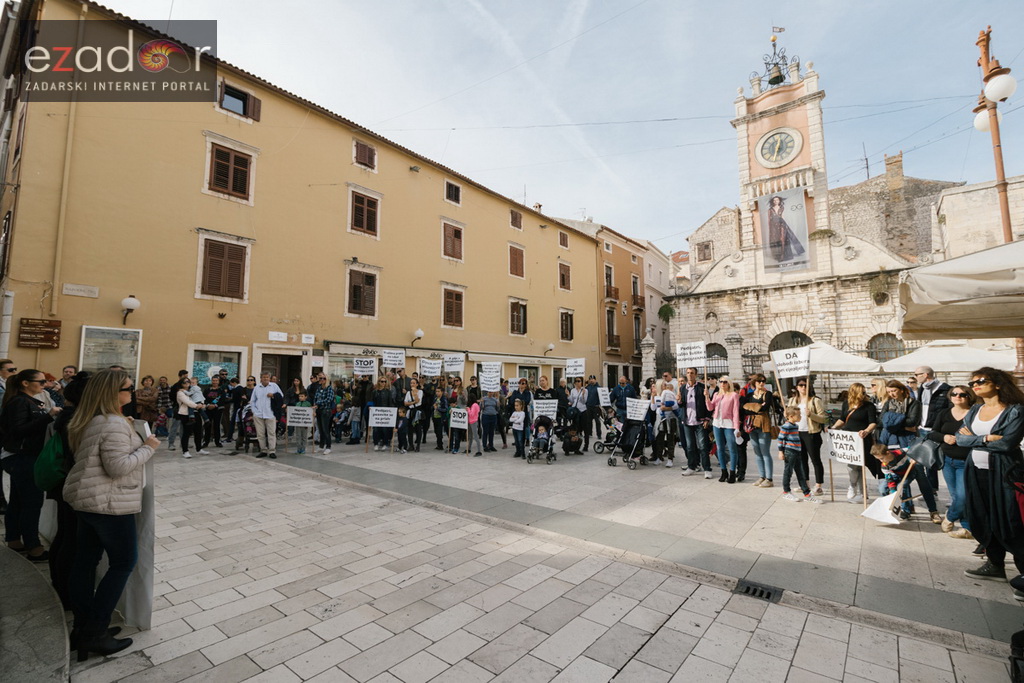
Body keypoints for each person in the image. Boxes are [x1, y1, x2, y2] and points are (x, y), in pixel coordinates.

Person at [64, 368, 159, 661]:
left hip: (87, 500)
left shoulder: (93, 419)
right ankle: (95, 632)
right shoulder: (113, 424)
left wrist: (126, 429)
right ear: (111, 393)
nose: (132, 394)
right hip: (109, 503)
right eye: (127, 389)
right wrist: (148, 447)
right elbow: (118, 467)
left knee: (85, 561)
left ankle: (83, 626)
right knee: (123, 562)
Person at [957, 367, 1024, 584]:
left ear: (997, 383)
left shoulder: (1015, 410)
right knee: (982, 519)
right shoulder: (975, 410)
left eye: (981, 380)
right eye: (972, 382)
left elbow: (1007, 444)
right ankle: (995, 565)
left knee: (1009, 522)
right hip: (975, 471)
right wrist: (986, 439)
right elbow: (960, 439)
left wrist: (975, 439)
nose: (975, 385)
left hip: (1004, 473)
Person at [1, 368, 61, 561]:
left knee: (18, 501)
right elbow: (18, 431)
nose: (44, 385)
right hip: (21, 457)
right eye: (41, 382)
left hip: (23, 457)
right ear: (25, 383)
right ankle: (33, 546)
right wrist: (48, 416)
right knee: (32, 503)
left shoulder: (28, 401)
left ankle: (14, 540)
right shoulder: (19, 401)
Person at [48, 371, 89, 610]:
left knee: (64, 534)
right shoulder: (75, 419)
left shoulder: (67, 415)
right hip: (70, 481)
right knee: (69, 538)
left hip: (64, 480)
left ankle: (60, 584)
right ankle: (64, 590)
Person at [928, 384, 975, 538]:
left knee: (963, 496)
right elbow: (933, 433)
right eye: (954, 394)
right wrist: (944, 437)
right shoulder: (944, 413)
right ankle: (966, 528)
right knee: (956, 496)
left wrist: (969, 436)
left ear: (969, 396)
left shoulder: (974, 414)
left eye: (962, 394)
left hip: (966, 460)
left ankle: (950, 517)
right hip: (947, 460)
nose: (957, 397)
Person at [830, 382, 879, 503]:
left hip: (862, 438)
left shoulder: (869, 406)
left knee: (860, 465)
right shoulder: (847, 404)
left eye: (864, 391)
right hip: (849, 439)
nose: (863, 394)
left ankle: (860, 491)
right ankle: (855, 486)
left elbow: (873, 422)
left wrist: (866, 431)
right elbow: (842, 419)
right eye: (861, 392)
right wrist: (834, 427)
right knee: (852, 466)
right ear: (854, 392)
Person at [870, 444, 941, 523]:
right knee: (883, 488)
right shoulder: (884, 466)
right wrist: (894, 494)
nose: (881, 461)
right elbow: (890, 480)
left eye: (882, 458)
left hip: (913, 469)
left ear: (888, 453)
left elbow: (916, 447)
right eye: (878, 459)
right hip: (899, 474)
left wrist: (915, 457)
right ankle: (898, 510)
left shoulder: (901, 452)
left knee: (924, 487)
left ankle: (933, 512)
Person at [788, 379, 828, 497]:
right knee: (801, 460)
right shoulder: (792, 401)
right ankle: (805, 484)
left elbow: (824, 418)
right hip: (797, 433)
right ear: (797, 387)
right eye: (801, 385)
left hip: (811, 433)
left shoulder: (815, 400)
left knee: (815, 459)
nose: (803, 387)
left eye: (806, 385)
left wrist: (812, 415)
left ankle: (819, 485)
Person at [915, 366, 950, 493]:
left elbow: (948, 410)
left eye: (916, 374)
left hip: (936, 429)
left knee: (936, 460)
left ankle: (934, 488)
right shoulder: (922, 388)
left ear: (925, 375)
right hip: (922, 428)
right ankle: (930, 489)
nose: (915, 377)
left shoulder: (945, 389)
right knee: (924, 460)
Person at [778, 406, 821, 503]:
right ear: (791, 416)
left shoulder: (795, 426)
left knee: (801, 473)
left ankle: (807, 493)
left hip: (797, 452)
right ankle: (786, 491)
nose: (801, 416)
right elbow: (780, 439)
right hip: (789, 452)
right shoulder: (786, 426)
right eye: (799, 415)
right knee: (788, 472)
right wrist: (781, 451)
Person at [744, 374, 779, 489]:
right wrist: (757, 406)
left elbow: (765, 407)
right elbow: (743, 408)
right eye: (759, 381)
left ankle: (769, 478)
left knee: (765, 452)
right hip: (752, 425)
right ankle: (761, 476)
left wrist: (751, 407)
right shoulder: (749, 395)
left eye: (763, 381)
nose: (762, 383)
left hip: (764, 424)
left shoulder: (767, 394)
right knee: (757, 452)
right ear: (754, 382)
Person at [678, 367, 711, 477]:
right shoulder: (682, 388)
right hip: (687, 421)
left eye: (692, 373)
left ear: (696, 375)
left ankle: (707, 468)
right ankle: (691, 466)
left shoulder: (702, 388)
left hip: (699, 421)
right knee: (690, 446)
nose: (689, 375)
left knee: (702, 446)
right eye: (688, 373)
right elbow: (681, 405)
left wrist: (707, 418)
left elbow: (708, 405)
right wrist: (679, 401)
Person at [708, 379, 740, 483]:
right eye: (721, 382)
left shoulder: (733, 395)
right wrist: (706, 397)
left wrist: (737, 427)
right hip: (717, 423)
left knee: (732, 448)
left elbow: (736, 412)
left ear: (729, 383)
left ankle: (732, 472)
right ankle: (723, 471)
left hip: (729, 423)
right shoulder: (717, 394)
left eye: (725, 382)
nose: (722, 384)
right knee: (719, 448)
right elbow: (710, 408)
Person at [878, 380, 920, 449]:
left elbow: (912, 422)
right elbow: (881, 421)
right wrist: (904, 427)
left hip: (908, 438)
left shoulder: (914, 403)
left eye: (894, 391)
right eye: (889, 392)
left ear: (901, 390)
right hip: (890, 437)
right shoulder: (888, 403)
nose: (891, 394)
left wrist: (891, 421)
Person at [251, 372, 283, 459]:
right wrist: (254, 411)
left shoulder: (274, 386)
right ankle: (263, 450)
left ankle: (272, 450)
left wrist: (273, 395)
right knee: (260, 434)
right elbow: (253, 401)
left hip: (270, 413)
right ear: (261, 378)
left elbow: (281, 397)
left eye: (267, 377)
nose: (266, 379)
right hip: (259, 414)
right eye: (264, 377)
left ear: (269, 378)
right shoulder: (257, 387)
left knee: (271, 433)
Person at [766, 195, 806, 265]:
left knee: (784, 238)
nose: (776, 201)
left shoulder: (782, 208)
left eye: (777, 200)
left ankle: (783, 256)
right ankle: (779, 256)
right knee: (776, 240)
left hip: (781, 223)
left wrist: (784, 224)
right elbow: (769, 219)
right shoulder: (770, 210)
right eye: (774, 200)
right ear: (773, 201)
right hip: (773, 226)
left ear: (779, 201)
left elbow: (781, 216)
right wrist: (770, 229)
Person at [174, 378, 205, 458]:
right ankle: (185, 451)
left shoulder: (193, 390)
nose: (187, 383)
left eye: (188, 381)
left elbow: (200, 397)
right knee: (187, 433)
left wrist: (201, 403)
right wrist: (197, 405)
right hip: (185, 414)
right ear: (181, 384)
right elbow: (187, 402)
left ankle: (199, 449)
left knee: (198, 431)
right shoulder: (180, 393)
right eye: (184, 382)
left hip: (196, 412)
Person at [312, 372, 335, 455]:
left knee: (325, 430)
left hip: (326, 410)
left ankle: (328, 446)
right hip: (319, 410)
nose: (322, 380)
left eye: (323, 378)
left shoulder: (329, 388)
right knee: (320, 429)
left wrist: (319, 403)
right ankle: (321, 446)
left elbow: (329, 399)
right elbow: (315, 397)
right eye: (320, 378)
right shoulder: (319, 388)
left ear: (327, 379)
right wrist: (315, 404)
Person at [372, 376, 396, 451]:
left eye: (385, 381)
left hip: (385, 412)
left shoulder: (388, 391)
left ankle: (385, 443)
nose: (383, 383)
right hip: (377, 412)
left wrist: (391, 411)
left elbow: (390, 402)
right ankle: (376, 443)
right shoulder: (375, 392)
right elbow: (372, 401)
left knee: (385, 429)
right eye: (382, 381)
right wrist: (371, 408)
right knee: (376, 429)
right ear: (379, 382)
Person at [404, 378, 424, 452]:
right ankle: (411, 445)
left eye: (413, 383)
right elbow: (405, 403)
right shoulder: (408, 393)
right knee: (410, 429)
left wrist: (415, 393)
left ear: (417, 384)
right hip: (411, 411)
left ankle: (418, 445)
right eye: (411, 383)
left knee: (418, 428)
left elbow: (418, 400)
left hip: (417, 411)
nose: (412, 384)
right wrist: (412, 402)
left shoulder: (420, 392)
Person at [431, 386, 448, 451]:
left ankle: (440, 444)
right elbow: (433, 407)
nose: (437, 393)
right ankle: (439, 444)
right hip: (435, 416)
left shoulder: (443, 399)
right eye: (436, 391)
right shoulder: (435, 398)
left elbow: (445, 409)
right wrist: (433, 407)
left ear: (442, 392)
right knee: (436, 431)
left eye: (438, 391)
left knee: (439, 431)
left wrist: (438, 408)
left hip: (441, 417)